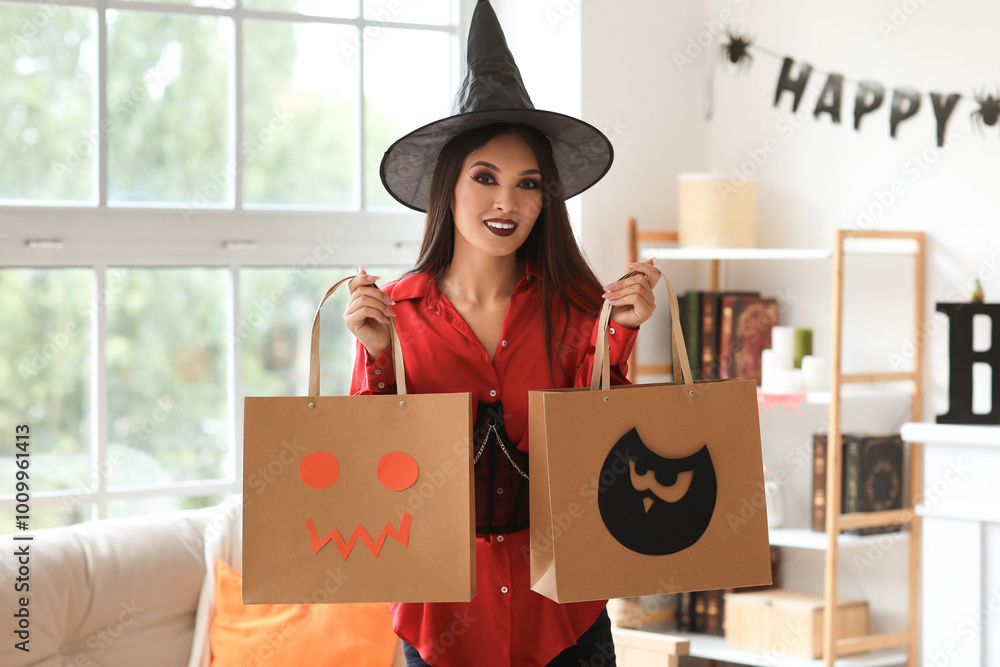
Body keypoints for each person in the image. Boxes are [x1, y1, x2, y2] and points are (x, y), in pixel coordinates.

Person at [345, 3, 660, 666]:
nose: (506, 204)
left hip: (565, 627)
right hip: (440, 630)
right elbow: (368, 477)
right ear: (447, 186)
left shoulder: (577, 307)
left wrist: (618, 337)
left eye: (528, 185)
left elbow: (602, 453)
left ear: (546, 200)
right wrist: (376, 357)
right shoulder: (392, 317)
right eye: (485, 178)